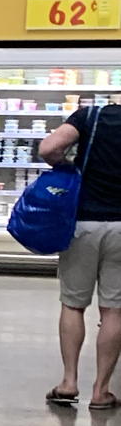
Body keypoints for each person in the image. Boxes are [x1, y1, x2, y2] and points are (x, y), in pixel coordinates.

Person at [39, 97, 121, 407]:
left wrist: (67, 165)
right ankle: (101, 390)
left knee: (73, 304)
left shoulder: (90, 116)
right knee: (114, 309)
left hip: (83, 222)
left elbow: (48, 148)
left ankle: (69, 381)